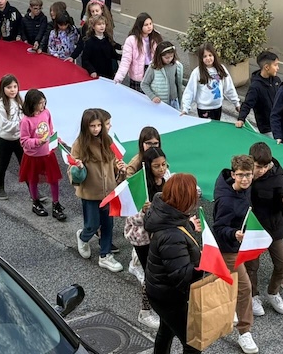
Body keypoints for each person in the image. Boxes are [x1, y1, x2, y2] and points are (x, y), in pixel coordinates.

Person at [144, 173, 204, 354]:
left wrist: (189, 226)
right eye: (194, 195)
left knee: (167, 329)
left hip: (159, 290)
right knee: (193, 343)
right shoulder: (171, 234)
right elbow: (182, 276)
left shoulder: (165, 213)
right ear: (185, 199)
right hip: (169, 296)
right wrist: (206, 264)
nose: (197, 198)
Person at [212, 155, 259, 354]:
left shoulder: (246, 189)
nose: (245, 179)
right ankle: (244, 332)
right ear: (233, 175)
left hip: (240, 245)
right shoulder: (225, 201)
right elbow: (218, 227)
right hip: (228, 248)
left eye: (248, 175)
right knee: (244, 286)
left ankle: (225, 311)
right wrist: (233, 233)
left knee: (224, 282)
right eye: (240, 175)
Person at [72, 108, 127, 272]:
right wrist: (78, 168)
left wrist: (119, 168)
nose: (96, 129)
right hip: (90, 192)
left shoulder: (108, 141)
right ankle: (83, 236)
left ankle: (105, 255)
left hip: (109, 191)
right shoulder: (80, 144)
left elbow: (113, 164)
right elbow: (73, 173)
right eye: (92, 126)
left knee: (108, 224)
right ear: (85, 126)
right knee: (93, 224)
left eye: (99, 125)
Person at [246, 142, 283, 317]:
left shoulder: (277, 178)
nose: (261, 170)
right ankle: (252, 295)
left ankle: (273, 292)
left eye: (264, 167)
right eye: (258, 167)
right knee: (252, 266)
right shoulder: (243, 173)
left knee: (282, 263)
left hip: (273, 228)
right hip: (252, 229)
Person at [123, 146, 166, 329]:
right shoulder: (139, 186)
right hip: (142, 238)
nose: (162, 169)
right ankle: (145, 312)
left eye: (164, 164)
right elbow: (131, 218)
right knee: (151, 275)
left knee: (159, 273)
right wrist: (144, 211)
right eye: (157, 166)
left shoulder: (165, 180)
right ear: (148, 167)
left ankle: (158, 305)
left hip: (159, 235)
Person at [19, 88, 66, 220]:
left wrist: (56, 139)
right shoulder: (25, 121)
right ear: (32, 104)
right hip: (33, 156)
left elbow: (50, 130)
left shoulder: (46, 113)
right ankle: (35, 202)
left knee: (54, 179)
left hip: (47, 153)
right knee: (33, 180)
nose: (43, 106)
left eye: (44, 103)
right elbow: (24, 141)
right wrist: (38, 142)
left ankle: (56, 204)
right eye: (40, 103)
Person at [180, 43, 240, 120]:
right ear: (201, 58)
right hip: (204, 108)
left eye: (210, 55)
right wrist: (185, 108)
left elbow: (229, 87)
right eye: (205, 56)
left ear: (214, 55)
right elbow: (190, 91)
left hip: (218, 107)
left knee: (216, 129)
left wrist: (236, 103)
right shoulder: (197, 72)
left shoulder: (221, 69)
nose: (208, 58)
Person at [236, 51, 282, 137]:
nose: (278, 68)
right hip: (267, 128)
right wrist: (241, 119)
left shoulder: (277, 80)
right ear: (267, 67)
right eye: (275, 65)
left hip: (279, 124)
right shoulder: (255, 87)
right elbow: (247, 104)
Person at [0, 74, 24, 200]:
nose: (12, 90)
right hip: (4, 140)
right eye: (9, 87)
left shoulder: (19, 101)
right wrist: (22, 125)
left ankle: (33, 190)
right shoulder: (0, 106)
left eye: (15, 86)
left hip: (18, 139)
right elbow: (4, 125)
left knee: (25, 164)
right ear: (3, 89)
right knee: (3, 164)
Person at [115, 13, 162, 92]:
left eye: (150, 24)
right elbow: (126, 60)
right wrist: (119, 77)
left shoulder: (156, 37)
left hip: (152, 69)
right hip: (138, 73)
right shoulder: (131, 40)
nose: (149, 26)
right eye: (146, 25)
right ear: (140, 26)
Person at [141, 41, 184, 109]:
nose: (169, 59)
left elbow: (178, 82)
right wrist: (153, 97)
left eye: (171, 56)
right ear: (159, 56)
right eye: (166, 57)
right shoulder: (153, 67)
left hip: (174, 100)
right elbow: (144, 84)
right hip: (160, 103)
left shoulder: (176, 65)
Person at [78, 14, 120, 79]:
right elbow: (85, 59)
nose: (102, 26)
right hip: (96, 73)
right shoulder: (89, 41)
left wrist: (123, 57)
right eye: (99, 24)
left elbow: (113, 54)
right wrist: (92, 71)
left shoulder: (107, 39)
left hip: (108, 72)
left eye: (103, 24)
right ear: (93, 27)